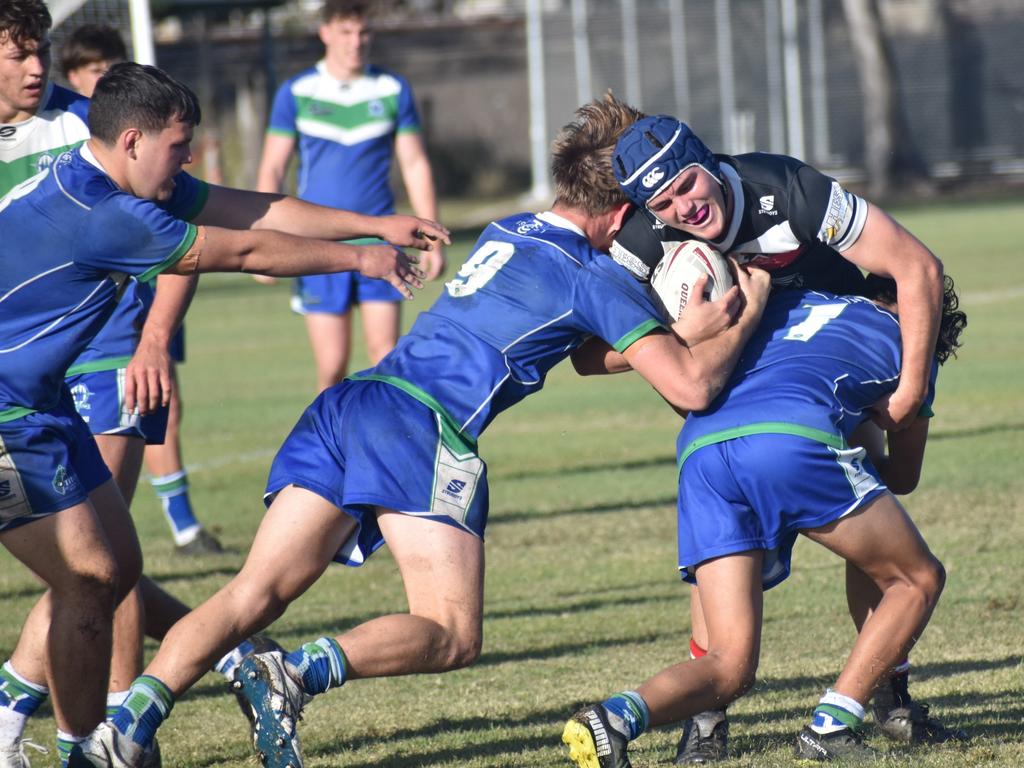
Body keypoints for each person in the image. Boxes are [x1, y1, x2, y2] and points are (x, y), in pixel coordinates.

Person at [68, 97, 772, 768]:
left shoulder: (512, 230)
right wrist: (736, 319)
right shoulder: (594, 276)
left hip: (354, 403)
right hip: (420, 429)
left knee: (248, 596)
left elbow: (580, 357)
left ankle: (123, 732)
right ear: (621, 213)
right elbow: (691, 385)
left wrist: (668, 334)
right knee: (451, 633)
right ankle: (297, 670)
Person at [0, 58, 437, 768]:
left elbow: (251, 208)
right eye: (179, 146)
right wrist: (361, 261)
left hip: (39, 406)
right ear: (134, 140)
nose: (189, 159)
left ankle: (84, 746)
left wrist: (373, 224)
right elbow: (245, 248)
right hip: (3, 417)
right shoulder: (106, 214)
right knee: (87, 577)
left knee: (117, 567)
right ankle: (80, 749)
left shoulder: (113, 179)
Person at [603, 107, 957, 761]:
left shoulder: (786, 189)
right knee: (855, 554)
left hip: (823, 368)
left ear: (709, 161)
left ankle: (889, 699)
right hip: (748, 378)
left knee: (866, 519)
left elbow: (917, 268)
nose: (685, 205)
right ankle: (725, 724)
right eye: (665, 200)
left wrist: (906, 394)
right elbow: (591, 355)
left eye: (689, 184)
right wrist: (689, 329)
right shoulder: (644, 242)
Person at [563, 274, 967, 766]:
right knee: (916, 578)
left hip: (702, 451)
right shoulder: (914, 346)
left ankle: (614, 720)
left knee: (729, 664)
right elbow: (902, 477)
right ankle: (832, 725)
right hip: (792, 441)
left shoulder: (789, 300)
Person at [58, 22, 222, 554]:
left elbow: (227, 233)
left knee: (99, 552)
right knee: (93, 558)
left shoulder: (154, 170)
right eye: (94, 71)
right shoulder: (71, 162)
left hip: (128, 328)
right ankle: (212, 638)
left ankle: (183, 525)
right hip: (58, 345)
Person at [256, 0, 446, 393]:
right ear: (325, 33)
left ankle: (386, 449)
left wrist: (430, 237)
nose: (356, 42)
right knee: (332, 366)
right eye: (346, 32)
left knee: (386, 356)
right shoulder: (297, 92)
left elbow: (414, 164)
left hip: (383, 240)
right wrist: (260, 239)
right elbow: (273, 168)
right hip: (318, 242)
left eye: (363, 32)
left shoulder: (392, 90)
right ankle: (328, 451)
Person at [58, 24, 126, 98]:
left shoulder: (136, 107)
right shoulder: (60, 109)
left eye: (116, 69)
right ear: (74, 77)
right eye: (97, 71)